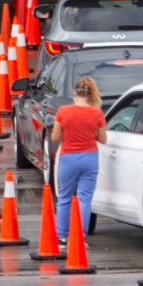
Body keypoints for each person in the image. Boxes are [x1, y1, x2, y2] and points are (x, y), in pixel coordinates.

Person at [52, 76, 107, 245]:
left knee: (64, 198)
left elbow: (55, 137)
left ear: (75, 93)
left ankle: (62, 236)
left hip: (68, 157)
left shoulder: (62, 111)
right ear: (91, 95)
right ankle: (80, 238)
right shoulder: (97, 113)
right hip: (90, 158)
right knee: (85, 199)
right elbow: (103, 139)